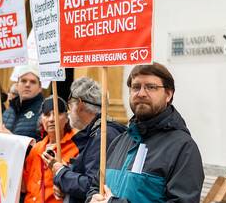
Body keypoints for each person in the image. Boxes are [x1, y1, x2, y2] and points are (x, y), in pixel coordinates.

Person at [86, 63, 204, 203]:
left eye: (151, 87)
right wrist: (92, 199)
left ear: (168, 94)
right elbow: (96, 186)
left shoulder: (184, 148)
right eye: (136, 87)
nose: (141, 93)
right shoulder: (119, 141)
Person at [47, 77, 126, 203]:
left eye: (69, 105)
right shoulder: (98, 133)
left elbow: (93, 186)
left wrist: (61, 173)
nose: (68, 112)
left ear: (79, 104)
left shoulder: (103, 135)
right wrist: (65, 185)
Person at [23, 96, 79, 203]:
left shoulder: (78, 145)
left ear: (67, 118)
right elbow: (24, 186)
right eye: (47, 115)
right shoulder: (36, 148)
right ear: (41, 120)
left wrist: (66, 189)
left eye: (57, 113)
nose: (51, 119)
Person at [0, 65, 44, 139]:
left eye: (33, 82)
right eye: (23, 81)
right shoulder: (9, 110)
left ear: (40, 88)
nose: (27, 85)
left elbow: (44, 146)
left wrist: (12, 139)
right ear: (17, 85)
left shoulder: (43, 112)